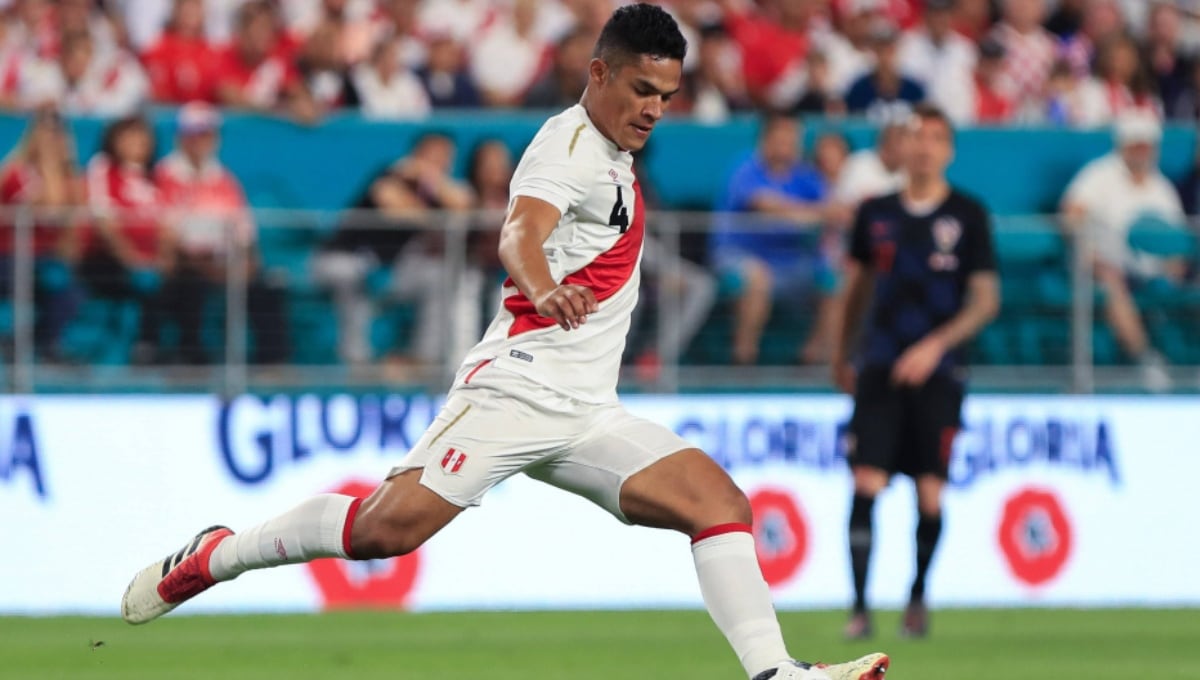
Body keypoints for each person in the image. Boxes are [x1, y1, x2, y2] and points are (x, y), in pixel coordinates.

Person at [120, 7, 889, 680]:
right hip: (517, 390)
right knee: (382, 529)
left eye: (666, 95)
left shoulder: (616, 154)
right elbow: (519, 231)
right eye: (641, 90)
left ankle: (775, 673)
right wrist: (542, 284)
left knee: (720, 505)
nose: (654, 109)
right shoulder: (570, 149)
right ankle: (219, 554)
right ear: (598, 73)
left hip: (587, 410)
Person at [832, 104, 1000, 640]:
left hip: (941, 374)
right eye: (915, 137)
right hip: (880, 366)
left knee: (931, 493)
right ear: (900, 147)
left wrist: (936, 346)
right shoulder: (875, 212)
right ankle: (859, 610)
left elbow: (986, 299)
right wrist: (842, 351)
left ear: (948, 150)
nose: (924, 147)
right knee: (865, 482)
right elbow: (856, 287)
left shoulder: (969, 214)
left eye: (935, 138)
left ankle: (918, 598)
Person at [153, 103, 290, 365]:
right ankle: (193, 360)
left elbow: (245, 231)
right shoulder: (165, 175)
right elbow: (168, 234)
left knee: (268, 286)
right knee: (191, 286)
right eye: (194, 134)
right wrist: (206, 264)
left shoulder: (225, 179)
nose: (200, 141)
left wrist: (248, 263)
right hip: (187, 265)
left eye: (207, 134)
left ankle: (271, 363)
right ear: (181, 137)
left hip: (227, 262)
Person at [1060, 111, 1185, 392]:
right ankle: (1146, 360)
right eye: (1136, 145)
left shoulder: (1161, 187)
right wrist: (1089, 251)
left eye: (1147, 146)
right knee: (1112, 283)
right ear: (1123, 146)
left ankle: (1186, 361)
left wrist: (1175, 265)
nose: (1143, 152)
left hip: (1151, 273)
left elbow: (1177, 239)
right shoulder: (1099, 174)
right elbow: (1071, 213)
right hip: (1104, 267)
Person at [711, 113, 835, 366]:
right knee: (757, 277)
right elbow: (764, 204)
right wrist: (808, 215)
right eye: (780, 139)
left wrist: (811, 214)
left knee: (837, 278)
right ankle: (743, 359)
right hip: (738, 255)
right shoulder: (746, 169)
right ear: (765, 140)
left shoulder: (805, 175)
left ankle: (812, 361)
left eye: (791, 139)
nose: (786, 145)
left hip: (791, 261)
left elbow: (833, 209)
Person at [82, 115, 174, 364]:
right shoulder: (102, 168)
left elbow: (166, 225)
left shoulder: (155, 177)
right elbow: (104, 221)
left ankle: (173, 352)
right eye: (129, 135)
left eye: (142, 136)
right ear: (114, 140)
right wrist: (132, 259)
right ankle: (139, 349)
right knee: (141, 282)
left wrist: (165, 258)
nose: (136, 142)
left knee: (186, 282)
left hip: (150, 261)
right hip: (106, 259)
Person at [0, 109, 87, 361]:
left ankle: (40, 345)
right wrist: (49, 161)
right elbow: (50, 204)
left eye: (57, 134)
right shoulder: (17, 171)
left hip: (44, 259)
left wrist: (66, 166)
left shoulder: (70, 178)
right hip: (9, 257)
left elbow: (71, 226)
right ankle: (20, 346)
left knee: (69, 291)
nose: (52, 139)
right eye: (46, 133)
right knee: (50, 279)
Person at [843, 18, 926, 121]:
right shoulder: (858, 90)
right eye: (880, 49)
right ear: (872, 51)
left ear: (897, 50)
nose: (885, 55)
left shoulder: (914, 90)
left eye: (889, 49)